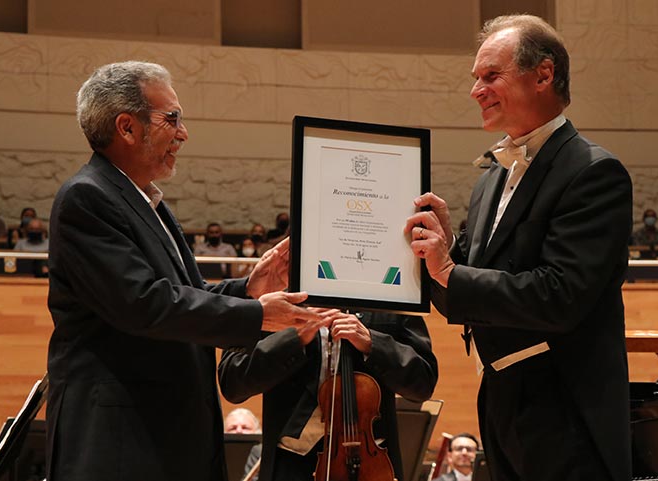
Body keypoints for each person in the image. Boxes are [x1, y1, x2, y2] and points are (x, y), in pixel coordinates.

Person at [45, 60, 325, 481]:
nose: (183, 132)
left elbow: (182, 292)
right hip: (123, 441)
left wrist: (248, 288)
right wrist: (258, 314)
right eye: (172, 118)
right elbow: (145, 304)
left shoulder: (143, 201)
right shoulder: (87, 198)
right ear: (127, 127)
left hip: (163, 437)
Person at [405, 15, 632, 481]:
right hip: (499, 400)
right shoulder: (491, 178)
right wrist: (441, 253)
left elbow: (559, 297)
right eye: (476, 79)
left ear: (544, 75)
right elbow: (463, 301)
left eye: (491, 75)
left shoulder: (593, 172)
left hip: (565, 409)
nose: (476, 90)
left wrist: (451, 270)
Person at [218, 309, 438, 481]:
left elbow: (423, 383)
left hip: (369, 466)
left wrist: (373, 343)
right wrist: (292, 340)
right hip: (291, 466)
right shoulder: (274, 290)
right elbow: (232, 383)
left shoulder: (388, 290)